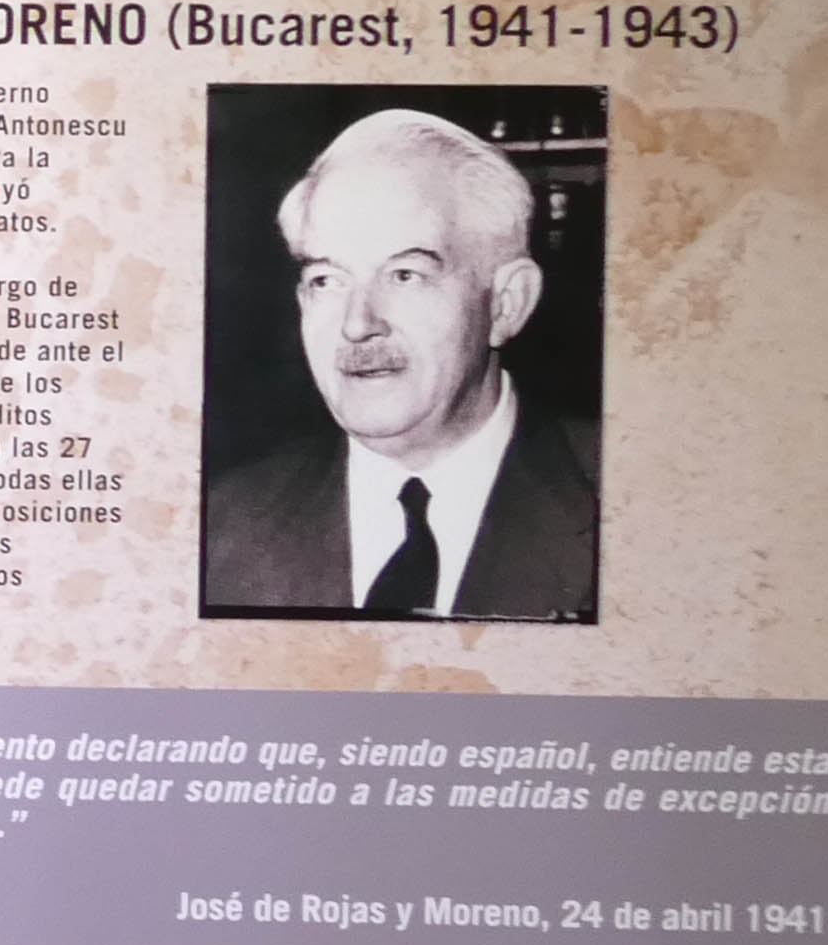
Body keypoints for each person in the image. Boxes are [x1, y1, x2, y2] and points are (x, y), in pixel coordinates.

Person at [201, 106, 597, 618]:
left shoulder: (634, 504)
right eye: (327, 280)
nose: (357, 324)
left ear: (506, 304)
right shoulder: (223, 523)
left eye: (405, 275)